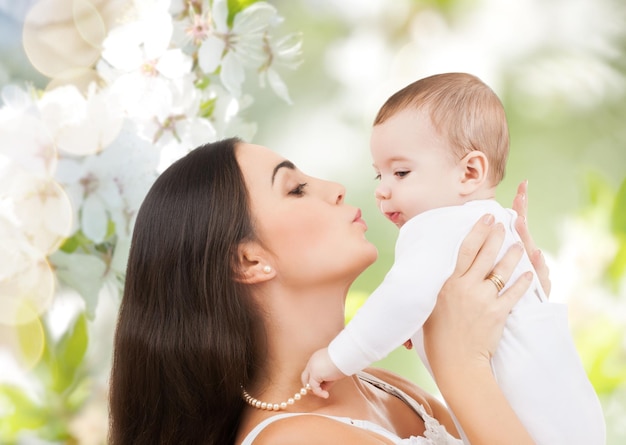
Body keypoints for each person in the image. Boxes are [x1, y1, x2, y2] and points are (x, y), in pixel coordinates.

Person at [108, 137, 546, 445]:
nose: (336, 189)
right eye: (296, 189)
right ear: (248, 261)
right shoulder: (294, 439)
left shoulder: (384, 387)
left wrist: (513, 326)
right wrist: (461, 365)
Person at [301, 73, 605, 444]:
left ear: (469, 172)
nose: (381, 191)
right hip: (570, 416)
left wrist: (336, 359)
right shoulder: (490, 221)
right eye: (379, 174)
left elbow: (403, 298)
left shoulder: (435, 225)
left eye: (401, 172)